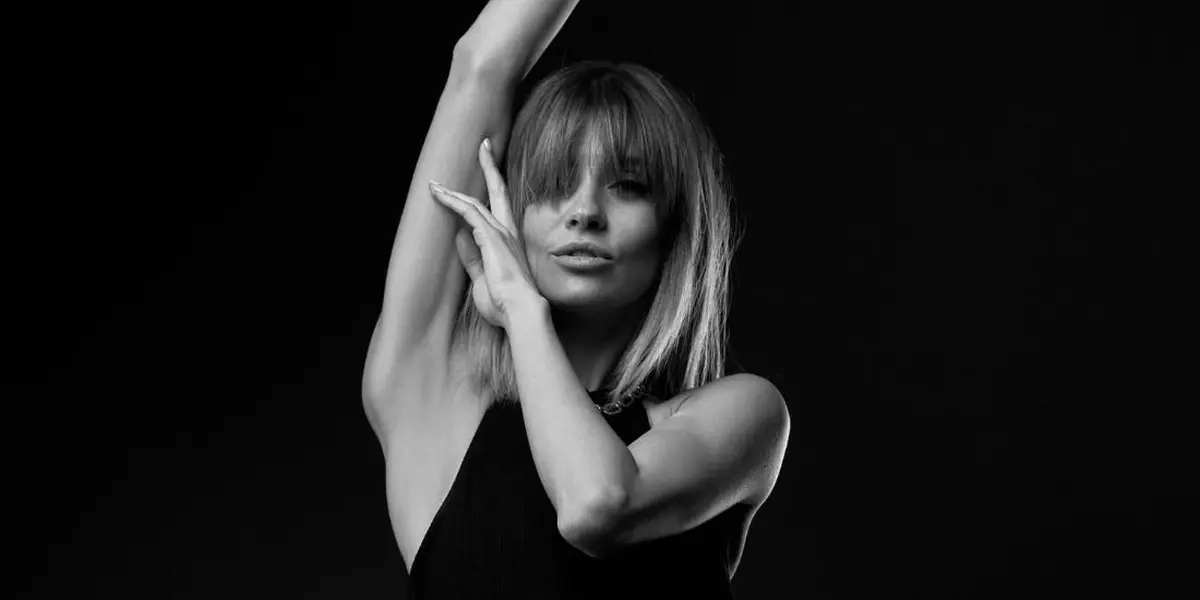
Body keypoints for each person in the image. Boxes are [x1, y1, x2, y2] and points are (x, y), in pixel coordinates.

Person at [361, 1, 790, 597]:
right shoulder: (430, 392)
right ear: (512, 211)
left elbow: (595, 506)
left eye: (628, 186)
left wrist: (523, 312)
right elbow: (481, 66)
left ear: (674, 228)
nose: (585, 211)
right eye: (555, 183)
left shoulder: (744, 414)